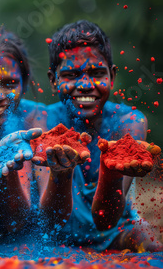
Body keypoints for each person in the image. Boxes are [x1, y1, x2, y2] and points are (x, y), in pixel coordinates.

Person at [0, 27, 90, 240]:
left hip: (26, 237)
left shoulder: (36, 117)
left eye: (9, 83)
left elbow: (52, 219)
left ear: (24, 84)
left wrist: (62, 174)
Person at [46, 20, 161, 251]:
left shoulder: (128, 124)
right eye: (70, 74)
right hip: (56, 235)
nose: (85, 85)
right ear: (53, 81)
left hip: (114, 232)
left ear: (112, 76)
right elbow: (50, 219)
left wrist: (111, 170)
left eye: (97, 73)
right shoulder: (43, 122)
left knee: (150, 245)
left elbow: (106, 219)